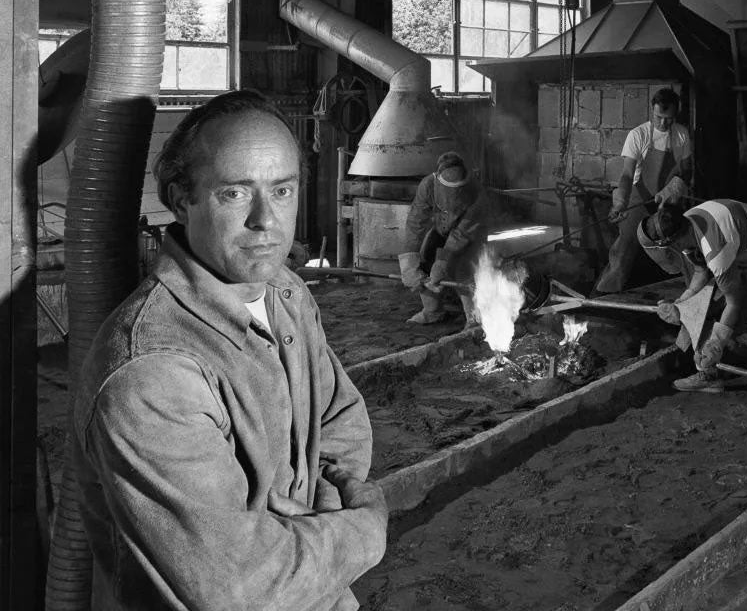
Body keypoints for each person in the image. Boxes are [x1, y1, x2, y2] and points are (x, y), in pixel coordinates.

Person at [73, 90, 387, 611]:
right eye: (235, 194)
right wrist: (364, 528)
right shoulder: (153, 374)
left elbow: (340, 420)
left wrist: (326, 509)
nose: (266, 220)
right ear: (181, 200)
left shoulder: (286, 294)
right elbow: (242, 589)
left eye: (282, 191)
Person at [639, 198, 747, 445]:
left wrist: (717, 342)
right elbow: (701, 271)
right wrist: (681, 303)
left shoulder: (714, 246)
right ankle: (709, 375)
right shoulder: (686, 223)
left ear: (675, 241)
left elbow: (734, 302)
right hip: (741, 256)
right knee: (700, 303)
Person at [593, 87, 693, 294]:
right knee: (625, 246)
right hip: (640, 196)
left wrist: (674, 188)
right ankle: (605, 294)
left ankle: (692, 292)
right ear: (652, 111)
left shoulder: (681, 135)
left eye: (669, 118)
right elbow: (628, 175)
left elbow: (686, 170)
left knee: (682, 244)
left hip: (670, 200)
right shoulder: (638, 135)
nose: (664, 123)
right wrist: (620, 203)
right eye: (659, 117)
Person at [397, 150, 487, 326]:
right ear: (437, 180)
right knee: (425, 259)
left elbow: (461, 235)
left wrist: (443, 262)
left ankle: (474, 317)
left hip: (470, 234)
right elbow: (416, 223)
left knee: (463, 269)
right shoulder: (428, 186)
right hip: (441, 229)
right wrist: (408, 264)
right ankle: (433, 311)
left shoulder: (477, 193)